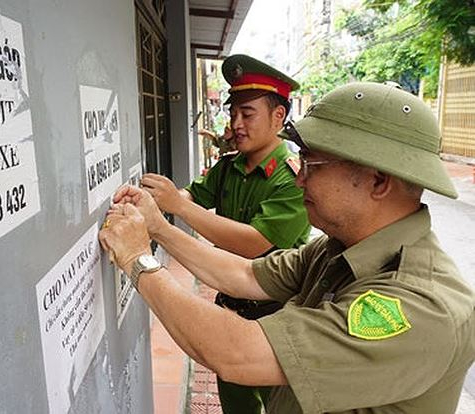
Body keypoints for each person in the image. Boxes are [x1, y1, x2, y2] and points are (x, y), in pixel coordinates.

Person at [99, 81, 475, 413]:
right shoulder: (339, 249)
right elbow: (245, 274)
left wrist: (137, 259)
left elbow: (237, 353)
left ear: (377, 182)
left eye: (313, 165)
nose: (299, 181)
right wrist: (158, 227)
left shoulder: (420, 307)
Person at [140, 54, 311, 412]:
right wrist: (155, 202)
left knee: (281, 405)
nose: (236, 124)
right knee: (235, 401)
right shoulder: (229, 166)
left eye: (247, 114)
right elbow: (193, 194)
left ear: (278, 117)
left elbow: (253, 244)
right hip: (231, 308)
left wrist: (179, 207)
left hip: (276, 317)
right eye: (233, 113)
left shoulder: (292, 177)